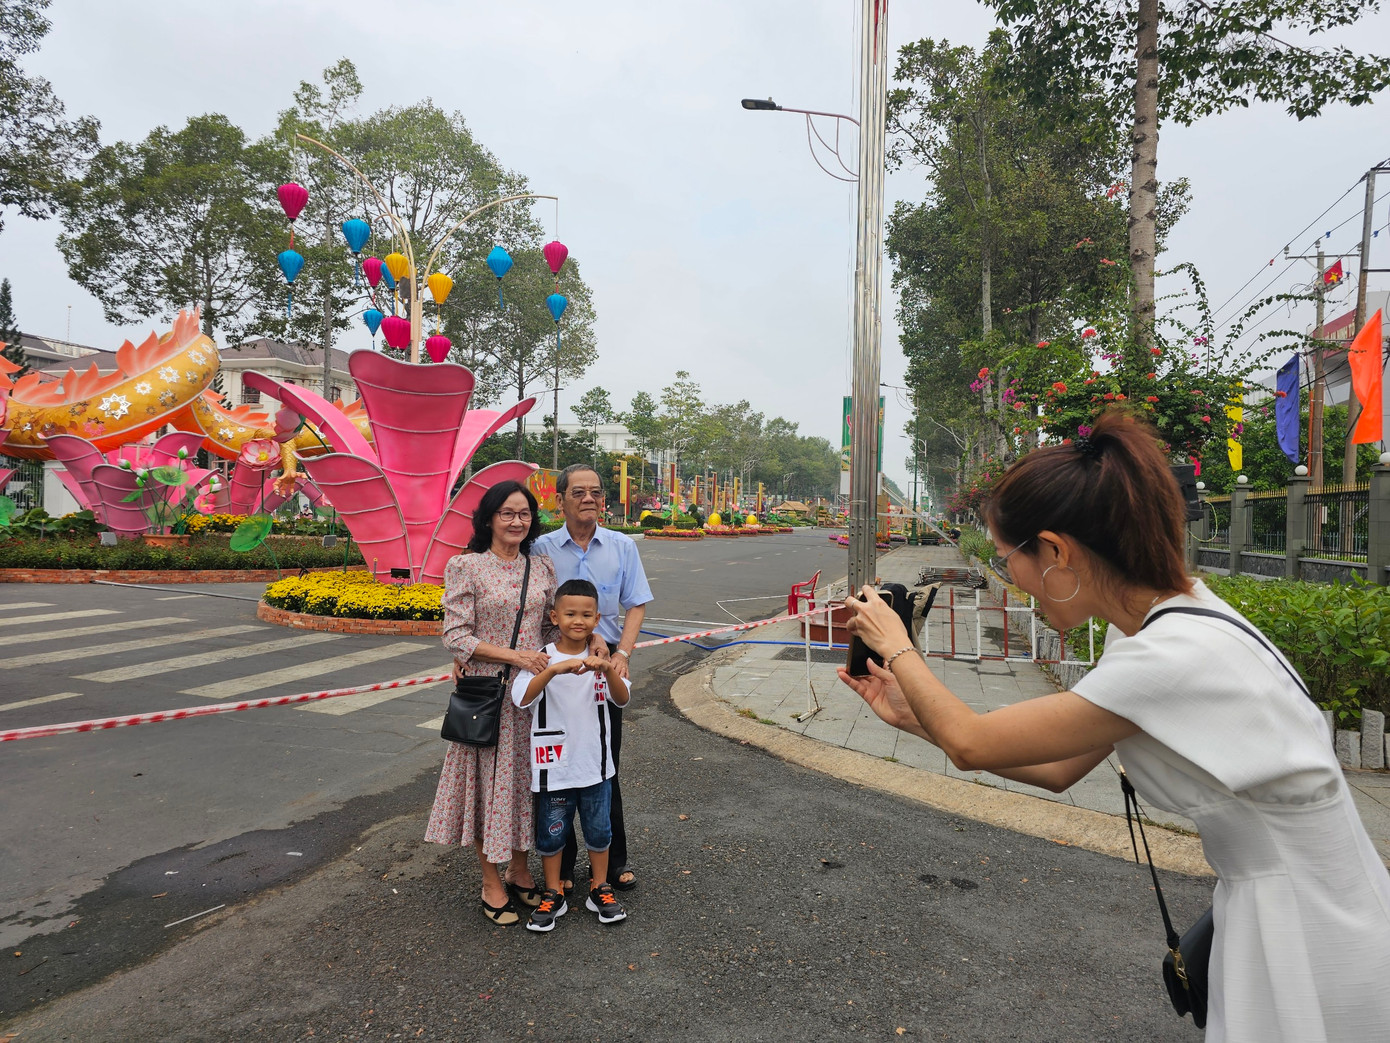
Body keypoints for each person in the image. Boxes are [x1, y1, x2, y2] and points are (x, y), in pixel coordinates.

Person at [838, 409, 1390, 1041]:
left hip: (1309, 925)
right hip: (1288, 899)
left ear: (1055, 551)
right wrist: (914, 718)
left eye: (1007, 558)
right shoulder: (1168, 625)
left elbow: (971, 743)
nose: (1010, 579)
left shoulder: (1171, 656)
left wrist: (896, 644)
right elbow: (1057, 769)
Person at [425, 480, 557, 926]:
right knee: (488, 790)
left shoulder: (541, 567)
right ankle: (490, 881)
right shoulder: (466, 566)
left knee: (526, 786)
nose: (517, 521)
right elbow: (455, 636)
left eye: (524, 513)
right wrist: (515, 656)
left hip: (533, 697)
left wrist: (589, 638)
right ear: (488, 519)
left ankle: (520, 870)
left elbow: (550, 629)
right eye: (507, 513)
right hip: (489, 696)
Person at [533, 463, 653, 893]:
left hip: (601, 671)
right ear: (560, 499)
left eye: (596, 492)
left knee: (604, 764)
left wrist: (622, 653)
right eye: (579, 492)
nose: (589, 499)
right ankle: (562, 866)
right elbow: (527, 607)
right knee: (557, 769)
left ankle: (613, 862)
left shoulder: (622, 546)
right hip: (555, 673)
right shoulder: (541, 548)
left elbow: (636, 603)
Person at [511, 578, 631, 932]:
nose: (578, 621)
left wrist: (607, 668)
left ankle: (600, 887)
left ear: (597, 620)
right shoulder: (541, 658)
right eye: (570, 614)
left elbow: (622, 698)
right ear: (555, 616)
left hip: (595, 766)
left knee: (599, 831)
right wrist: (552, 670)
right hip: (554, 768)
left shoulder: (603, 657)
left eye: (587, 615)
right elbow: (522, 699)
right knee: (552, 834)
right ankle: (553, 892)